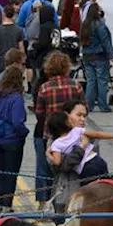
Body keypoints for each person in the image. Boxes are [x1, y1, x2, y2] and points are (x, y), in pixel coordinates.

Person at [34, 52, 79, 205]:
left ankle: (43, 204)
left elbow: (39, 112)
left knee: (44, 169)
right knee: (70, 170)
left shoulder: (44, 88)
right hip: (72, 135)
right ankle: (68, 202)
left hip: (51, 134)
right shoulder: (76, 85)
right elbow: (84, 107)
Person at [47, 100, 113, 187]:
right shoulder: (55, 142)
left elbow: (97, 134)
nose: (83, 119)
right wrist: (82, 147)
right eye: (79, 115)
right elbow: (63, 166)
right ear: (67, 116)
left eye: (84, 116)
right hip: (70, 189)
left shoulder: (81, 133)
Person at [0, 66, 29, 213]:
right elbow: (17, 121)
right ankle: (6, 203)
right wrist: (24, 132)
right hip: (12, 139)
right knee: (10, 172)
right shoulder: (16, 98)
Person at [80, 4, 113, 113]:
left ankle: (88, 105)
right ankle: (103, 105)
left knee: (91, 81)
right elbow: (105, 41)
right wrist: (112, 55)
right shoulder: (100, 25)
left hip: (87, 56)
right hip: (99, 56)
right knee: (102, 81)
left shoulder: (85, 24)